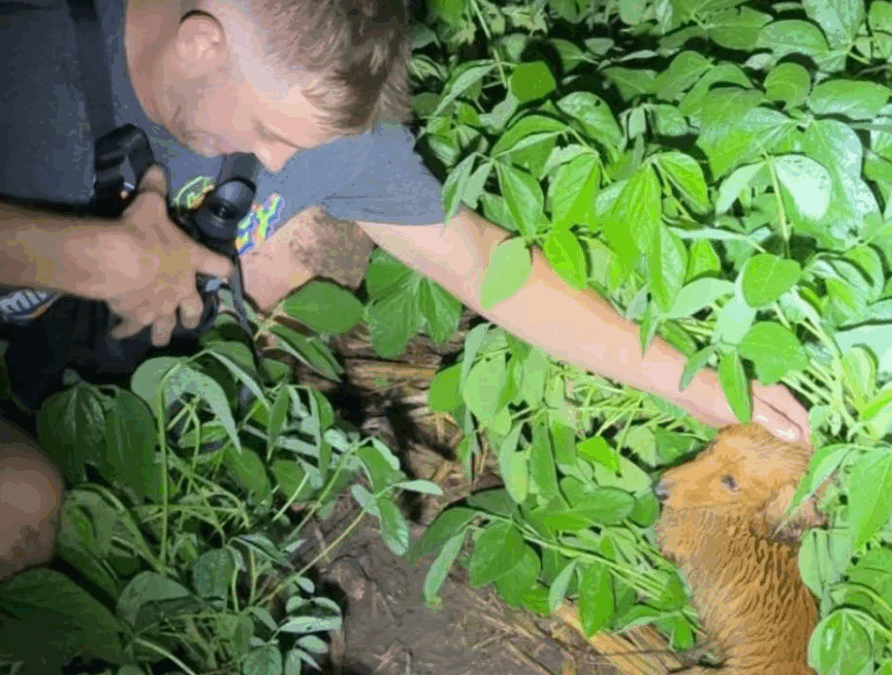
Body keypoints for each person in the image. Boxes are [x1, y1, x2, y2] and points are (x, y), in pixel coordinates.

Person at [0, 0, 810, 579]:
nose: (279, 165)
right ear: (200, 45)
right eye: (271, 135)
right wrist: (85, 256)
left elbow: (478, 264)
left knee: (300, 230)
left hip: (66, 349)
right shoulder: (26, 65)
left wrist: (696, 385)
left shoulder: (309, 116)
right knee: (23, 500)